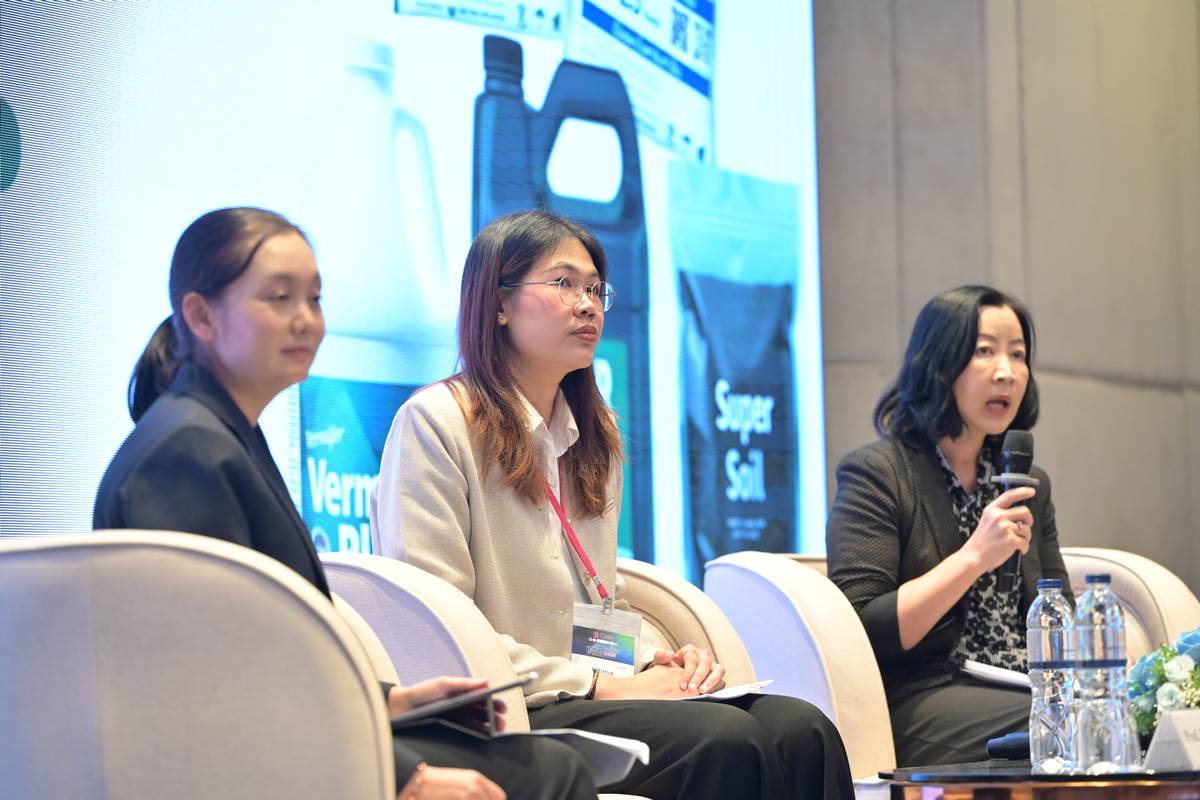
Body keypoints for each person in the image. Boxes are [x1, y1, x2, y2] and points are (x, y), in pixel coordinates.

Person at [94, 207, 596, 800]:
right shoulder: (187, 454)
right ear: (202, 316)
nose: (306, 320)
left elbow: (269, 658)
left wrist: (390, 701)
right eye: (279, 298)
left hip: (277, 738)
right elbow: (216, 679)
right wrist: (403, 776)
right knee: (552, 771)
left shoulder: (218, 434)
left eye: (314, 298)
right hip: (234, 764)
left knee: (546, 762)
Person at [372, 209, 855, 799]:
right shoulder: (436, 423)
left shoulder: (593, 437)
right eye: (564, 283)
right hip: (514, 708)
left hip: (592, 691)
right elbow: (436, 630)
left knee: (802, 728)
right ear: (498, 304)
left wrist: (654, 662)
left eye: (596, 289)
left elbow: (593, 615)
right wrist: (603, 686)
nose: (588, 305)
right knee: (727, 739)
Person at [825, 285, 1072, 767]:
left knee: (1126, 711)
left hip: (1022, 686)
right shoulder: (879, 473)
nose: (1006, 372)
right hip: (922, 696)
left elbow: (1058, 603)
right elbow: (864, 631)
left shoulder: (1027, 481)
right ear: (939, 363)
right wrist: (974, 557)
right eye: (984, 351)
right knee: (1063, 722)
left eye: (1018, 355)